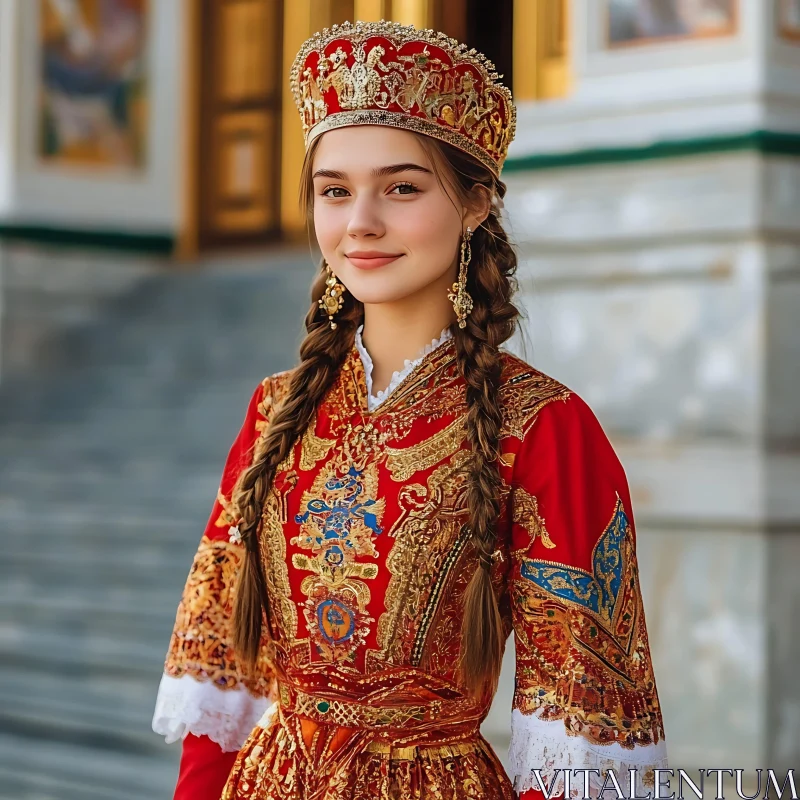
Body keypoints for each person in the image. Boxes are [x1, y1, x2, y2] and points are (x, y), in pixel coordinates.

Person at [152, 19, 668, 800]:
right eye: (335, 191)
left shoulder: (544, 427)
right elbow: (219, 668)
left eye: (400, 187)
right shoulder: (274, 411)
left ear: (474, 204)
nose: (360, 222)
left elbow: (579, 729)